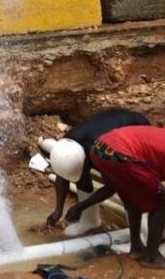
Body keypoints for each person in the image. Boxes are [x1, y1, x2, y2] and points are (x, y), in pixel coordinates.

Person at [66, 126, 165, 269]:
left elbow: (110, 188)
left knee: (132, 197)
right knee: (159, 203)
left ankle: (136, 248)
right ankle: (152, 257)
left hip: (101, 148)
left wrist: (81, 206)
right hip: (122, 154)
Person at [45, 107, 150, 236]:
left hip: (138, 131)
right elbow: (62, 175)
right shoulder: (67, 145)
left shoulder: (105, 152)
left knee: (130, 185)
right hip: (106, 130)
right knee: (81, 176)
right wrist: (58, 210)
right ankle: (90, 220)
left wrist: (81, 206)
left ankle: (142, 235)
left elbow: (111, 187)